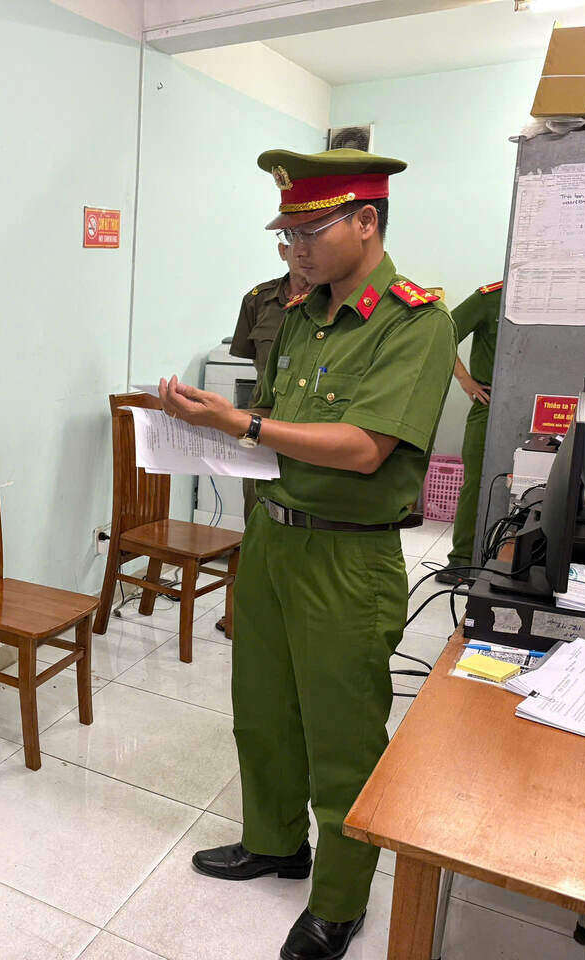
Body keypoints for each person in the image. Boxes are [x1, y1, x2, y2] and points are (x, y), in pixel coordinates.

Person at [158, 149, 456, 960]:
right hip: (273, 544)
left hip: (346, 561)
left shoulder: (415, 321)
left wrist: (244, 425)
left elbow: (364, 447)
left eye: (308, 229)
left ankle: (340, 899)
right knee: (264, 713)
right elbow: (275, 438)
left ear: (367, 222)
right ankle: (276, 843)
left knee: (342, 735)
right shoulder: (298, 314)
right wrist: (201, 421)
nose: (292, 247)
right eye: (284, 231)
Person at [217, 244, 312, 631]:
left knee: (304, 521)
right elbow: (248, 358)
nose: (305, 252)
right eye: (296, 243)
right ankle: (245, 614)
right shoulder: (258, 301)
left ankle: (294, 616)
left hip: (309, 428)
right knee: (255, 515)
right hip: (260, 423)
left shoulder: (332, 301)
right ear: (282, 250)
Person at [437, 280, 502, 584]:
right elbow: (439, 334)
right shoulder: (490, 298)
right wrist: (465, 380)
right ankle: (462, 560)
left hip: (547, 409)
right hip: (490, 405)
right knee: (476, 483)